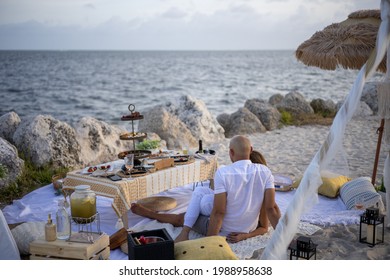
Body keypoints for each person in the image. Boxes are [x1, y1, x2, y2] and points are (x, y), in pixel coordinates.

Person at [130, 135, 280, 243]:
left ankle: (181, 230)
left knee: (183, 217)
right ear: (251, 150)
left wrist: (210, 243)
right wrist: (284, 237)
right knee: (200, 193)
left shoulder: (224, 172)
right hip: (246, 227)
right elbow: (271, 208)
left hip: (225, 228)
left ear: (231, 152)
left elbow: (219, 212)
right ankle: (193, 209)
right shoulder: (265, 172)